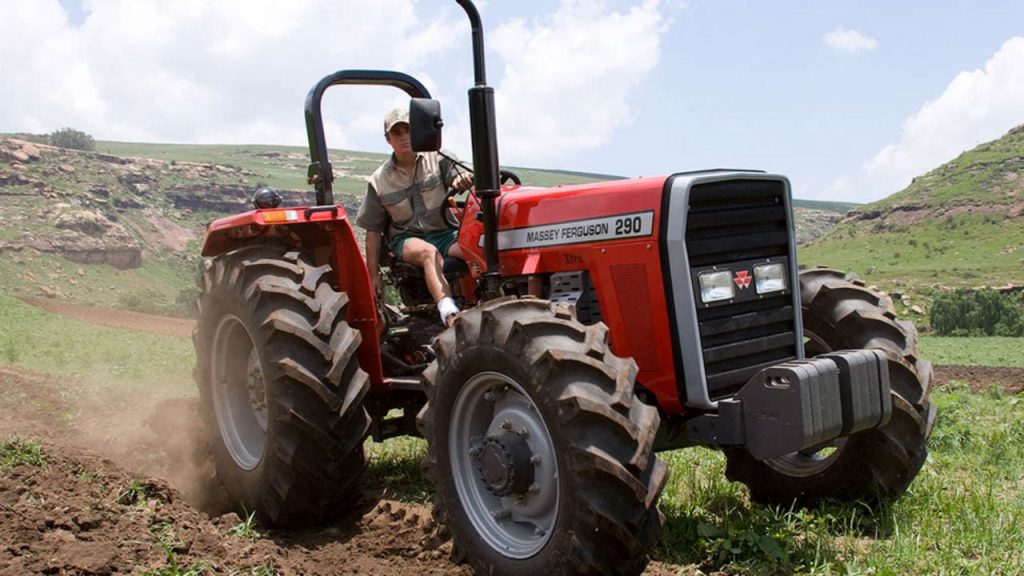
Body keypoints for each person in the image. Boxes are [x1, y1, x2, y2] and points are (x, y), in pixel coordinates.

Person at [356, 106, 473, 326]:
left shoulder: (438, 158)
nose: (404, 138)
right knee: (429, 253)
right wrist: (373, 276)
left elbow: (463, 172)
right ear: (387, 139)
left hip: (445, 232)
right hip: (407, 238)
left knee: (475, 249)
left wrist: (462, 178)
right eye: (397, 133)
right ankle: (449, 313)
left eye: (408, 130)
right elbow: (372, 230)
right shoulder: (379, 180)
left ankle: (495, 302)